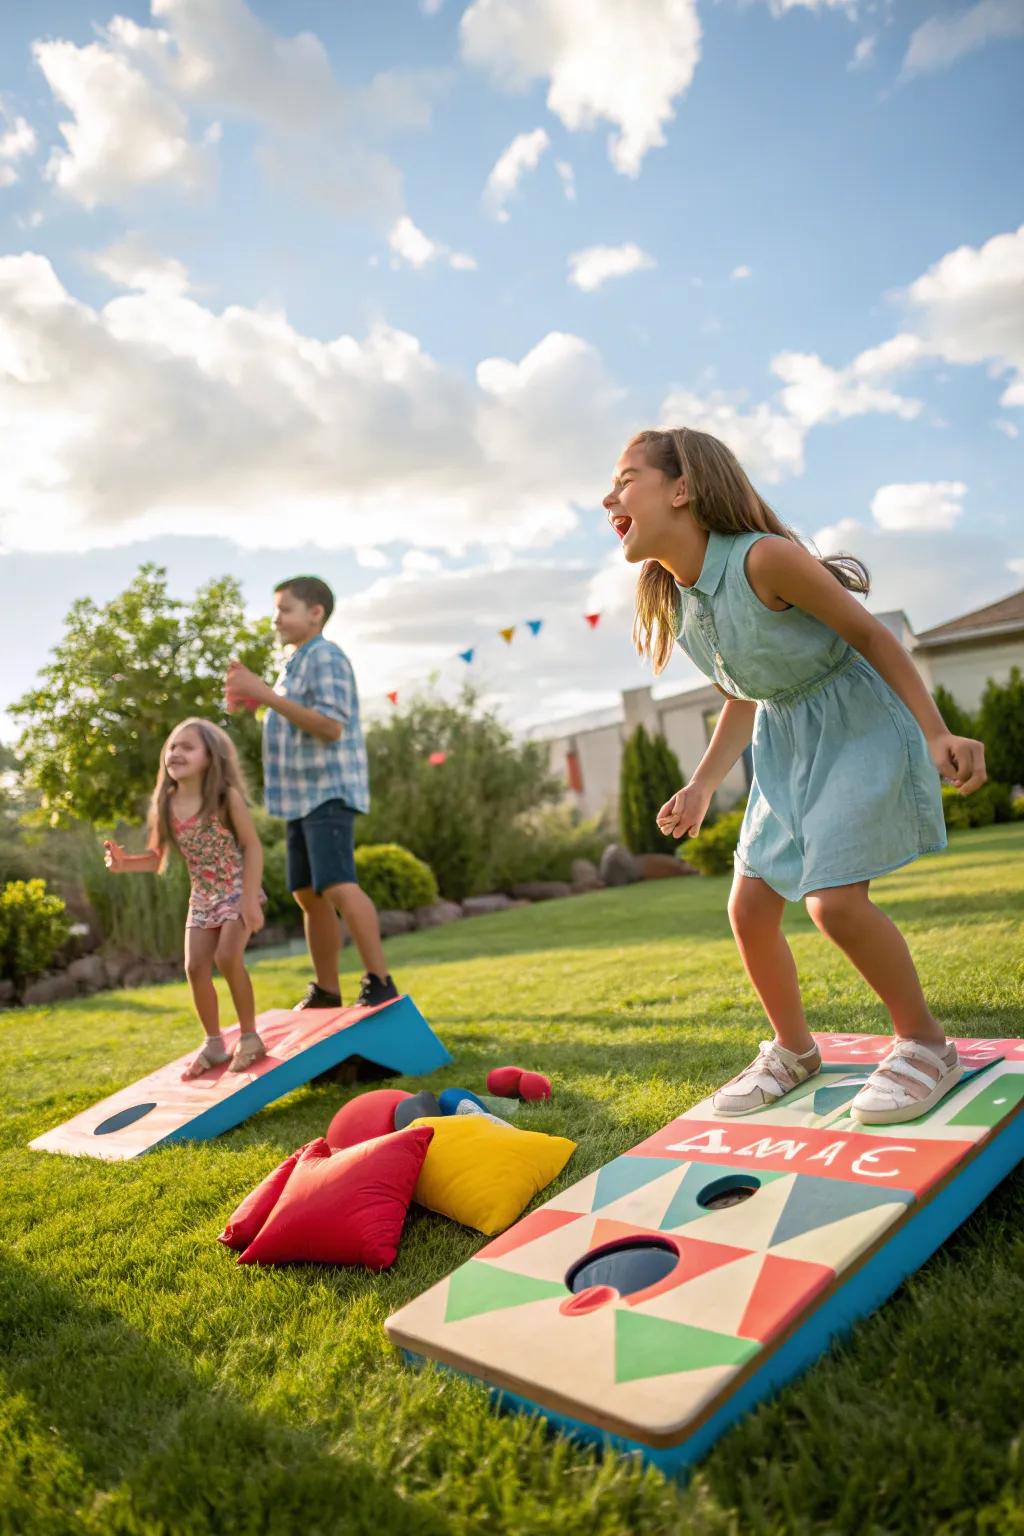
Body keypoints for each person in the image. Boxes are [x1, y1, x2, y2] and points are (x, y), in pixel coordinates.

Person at [605, 426, 987, 1126]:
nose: (610, 497)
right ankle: (793, 1050)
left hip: (858, 725)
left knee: (833, 903)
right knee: (749, 909)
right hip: (787, 742)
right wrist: (699, 785)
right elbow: (745, 693)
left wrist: (936, 730)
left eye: (627, 478)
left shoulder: (765, 559)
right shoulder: (678, 596)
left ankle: (928, 1045)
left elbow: (873, 636)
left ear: (683, 489)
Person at [225, 575, 398, 1013]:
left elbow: (330, 725)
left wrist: (265, 695)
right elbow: (295, 717)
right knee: (307, 892)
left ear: (315, 613)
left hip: (327, 791)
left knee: (338, 884)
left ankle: (380, 981)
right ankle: (326, 990)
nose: (276, 618)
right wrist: (260, 700)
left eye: (285, 609)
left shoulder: (326, 656)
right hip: (298, 797)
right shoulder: (295, 665)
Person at [103, 718, 267, 1077]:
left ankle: (250, 1037)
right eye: (173, 746)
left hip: (238, 889)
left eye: (187, 747)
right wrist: (123, 864)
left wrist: (250, 899)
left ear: (210, 757)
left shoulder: (225, 798)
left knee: (227, 957)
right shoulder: (166, 804)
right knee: (194, 967)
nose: (176, 752)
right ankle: (214, 1043)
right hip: (203, 897)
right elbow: (158, 858)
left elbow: (253, 847)